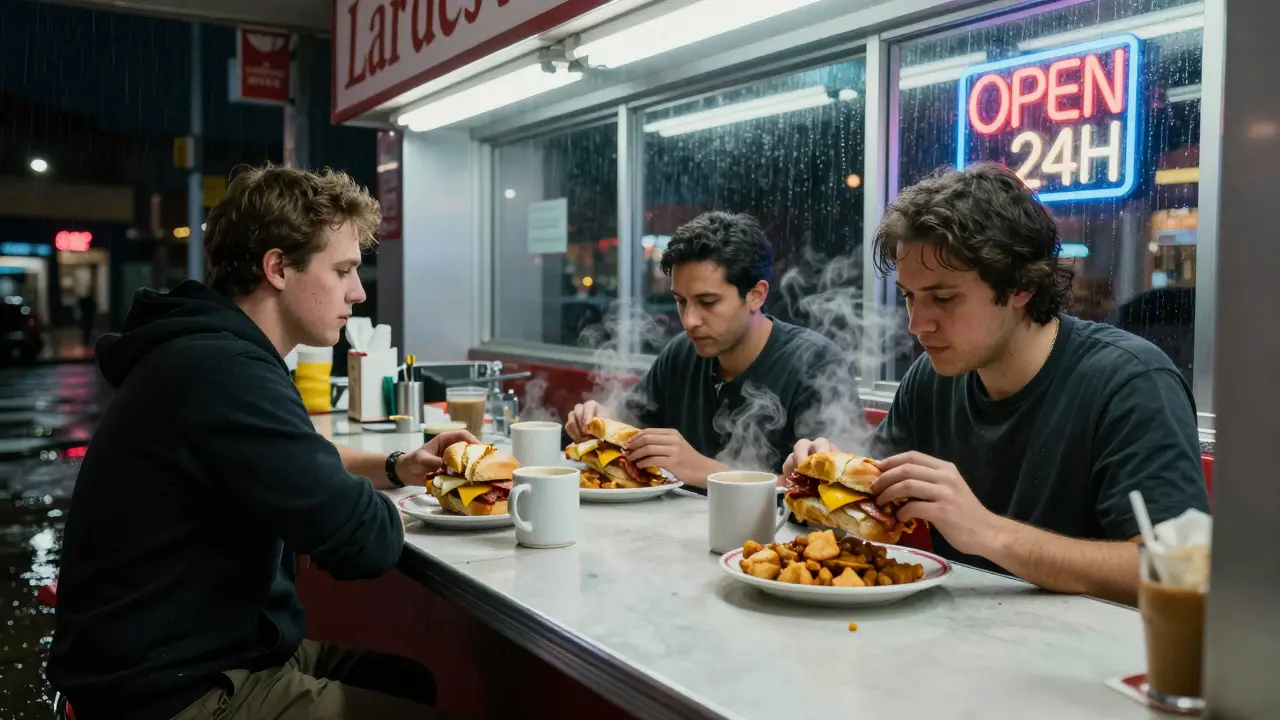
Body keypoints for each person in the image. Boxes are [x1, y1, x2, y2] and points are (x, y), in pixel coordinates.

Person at [48, 166, 471, 719]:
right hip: (169, 691)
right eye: (342, 269)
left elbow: (295, 457)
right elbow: (364, 542)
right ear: (277, 268)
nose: (359, 291)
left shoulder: (206, 351)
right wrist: (420, 507)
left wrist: (396, 466)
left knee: (405, 681)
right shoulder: (226, 372)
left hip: (186, 650)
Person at [784, 164, 1209, 606]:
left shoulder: (1131, 382)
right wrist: (819, 490)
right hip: (959, 644)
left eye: (944, 298)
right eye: (910, 296)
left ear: (1022, 285)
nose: (917, 324)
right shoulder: (930, 378)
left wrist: (988, 533)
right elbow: (872, 511)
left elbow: (1182, 571)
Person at [566, 211, 855, 489]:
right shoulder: (682, 353)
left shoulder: (817, 365)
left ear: (756, 296)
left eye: (708, 302)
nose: (690, 321)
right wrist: (601, 423)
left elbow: (824, 495)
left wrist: (705, 471)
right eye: (681, 301)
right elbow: (630, 426)